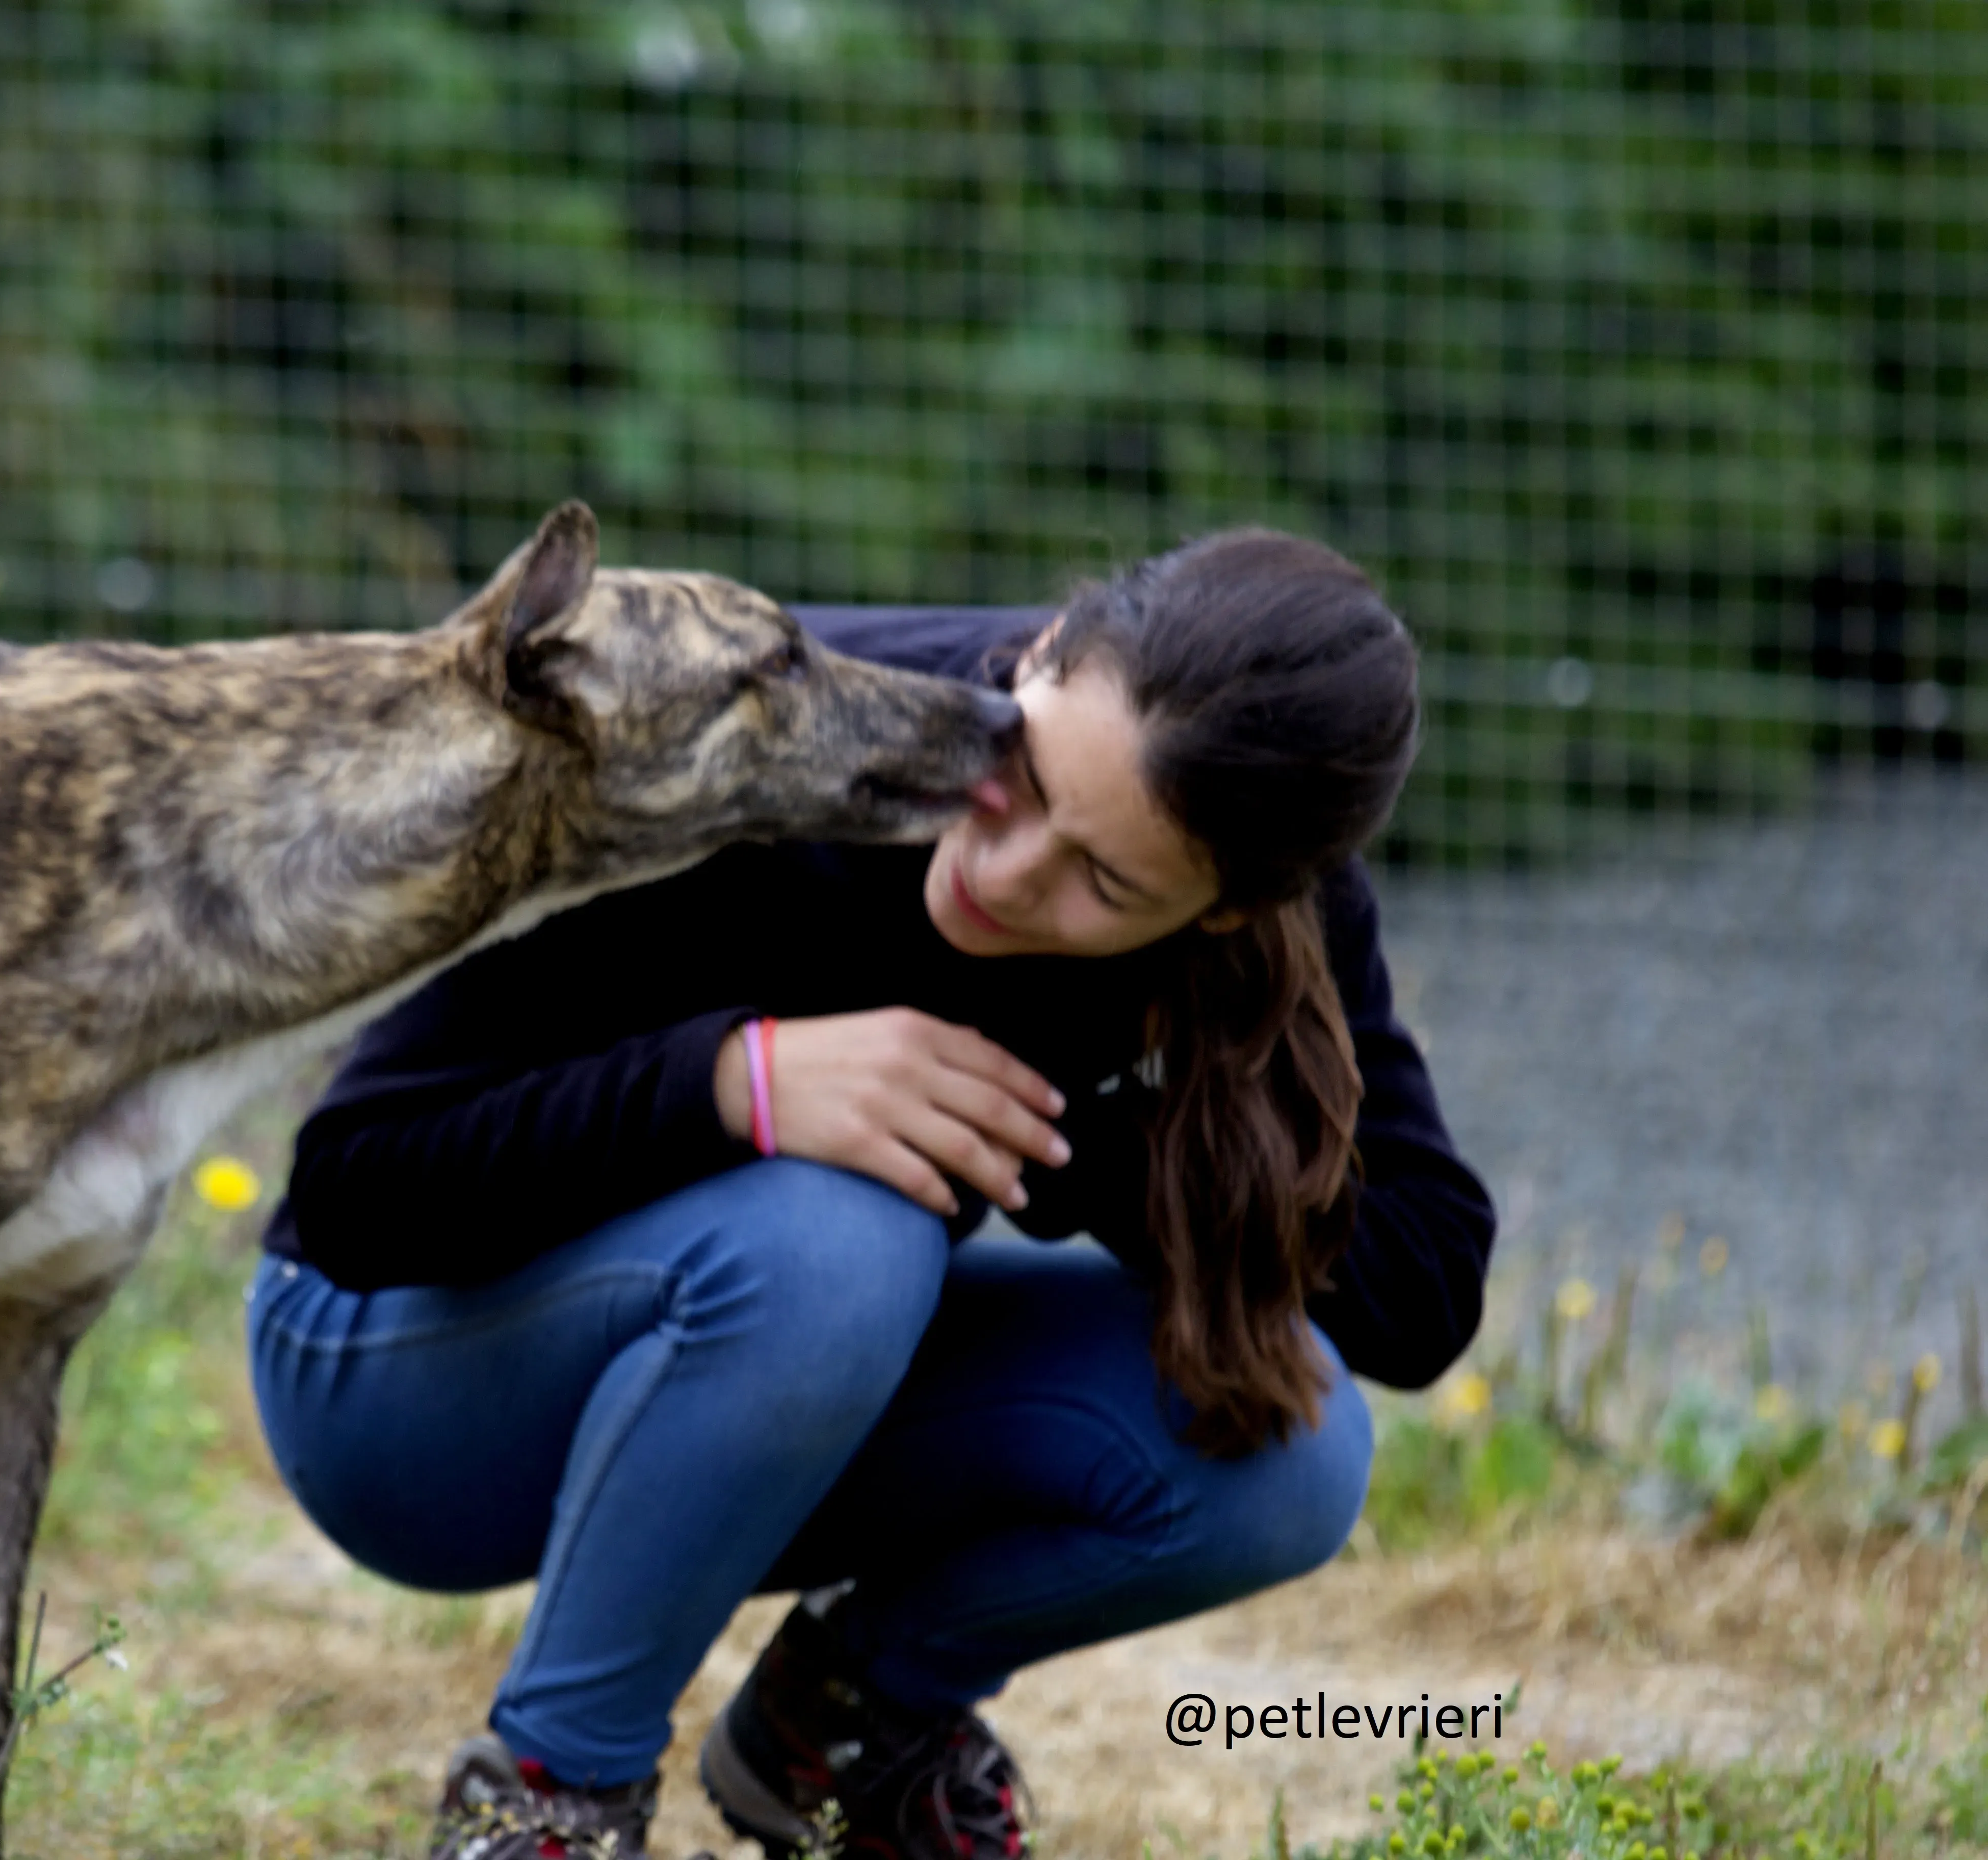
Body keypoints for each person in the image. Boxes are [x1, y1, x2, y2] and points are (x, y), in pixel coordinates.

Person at [247, 530, 1496, 1860]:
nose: (1010, 874)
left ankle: (841, 1734)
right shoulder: (742, 728)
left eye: (1107, 883)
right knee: (848, 1240)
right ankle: (551, 1803)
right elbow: (354, 1188)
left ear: (1225, 911)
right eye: (1025, 773)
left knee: (1292, 1458)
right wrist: (737, 1084)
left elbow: (1424, 1288)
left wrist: (1063, 1125)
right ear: (1042, 657)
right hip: (394, 1381)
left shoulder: (1264, 886)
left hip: (770, 1377)